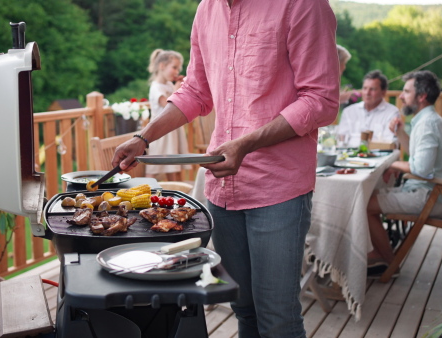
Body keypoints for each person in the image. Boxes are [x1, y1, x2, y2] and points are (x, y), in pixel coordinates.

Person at [112, 1, 339, 336]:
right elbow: (195, 90)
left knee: (277, 317)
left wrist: (246, 144)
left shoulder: (302, 4)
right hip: (222, 192)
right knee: (243, 310)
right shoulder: (207, 10)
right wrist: (143, 137)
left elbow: (321, 99)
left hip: (277, 190)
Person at [366, 70, 442, 278]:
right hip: (434, 194)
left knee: (365, 204)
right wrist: (400, 134)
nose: (402, 96)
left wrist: (391, 166)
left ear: (421, 97)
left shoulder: (427, 124)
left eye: (406, 91)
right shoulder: (428, 120)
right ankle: (382, 255)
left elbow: (421, 169)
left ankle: (388, 260)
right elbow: (417, 158)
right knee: (369, 197)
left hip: (431, 198)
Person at [146, 49, 191, 181]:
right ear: (162, 66)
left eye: (179, 68)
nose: (177, 72)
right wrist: (176, 89)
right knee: (153, 165)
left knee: (172, 165)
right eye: (174, 67)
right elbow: (167, 103)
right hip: (160, 130)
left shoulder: (169, 84)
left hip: (171, 129)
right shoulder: (156, 87)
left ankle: (176, 189)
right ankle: (147, 188)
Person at [337, 70, 400, 148]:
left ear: (383, 92)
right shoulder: (349, 111)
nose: (367, 93)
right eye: (365, 88)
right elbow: (341, 139)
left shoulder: (392, 112)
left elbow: (389, 142)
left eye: (372, 89)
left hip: (378, 156)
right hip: (349, 155)